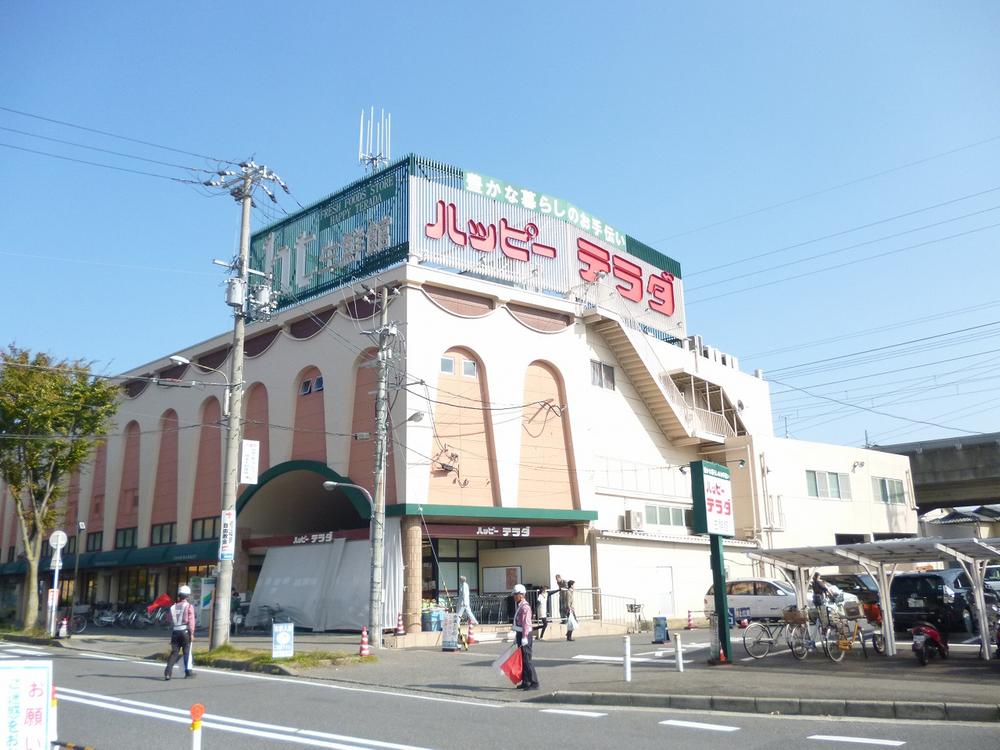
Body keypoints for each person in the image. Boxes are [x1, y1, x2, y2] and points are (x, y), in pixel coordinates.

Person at [164, 584, 196, 680]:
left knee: (174, 653)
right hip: (185, 631)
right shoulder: (189, 606)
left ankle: (167, 673)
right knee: (186, 652)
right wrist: (192, 633)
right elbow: (191, 621)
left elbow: (168, 619)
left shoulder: (173, 607)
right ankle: (188, 673)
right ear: (187, 596)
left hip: (175, 632)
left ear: (179, 595)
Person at [512, 583, 539, 690]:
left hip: (525, 636)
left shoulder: (525, 607)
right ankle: (526, 681)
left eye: (516, 594)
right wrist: (517, 636)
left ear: (522, 595)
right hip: (520, 635)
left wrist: (524, 637)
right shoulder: (520, 606)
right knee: (522, 659)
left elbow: (526, 624)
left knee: (527, 660)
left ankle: (534, 682)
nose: (514, 596)